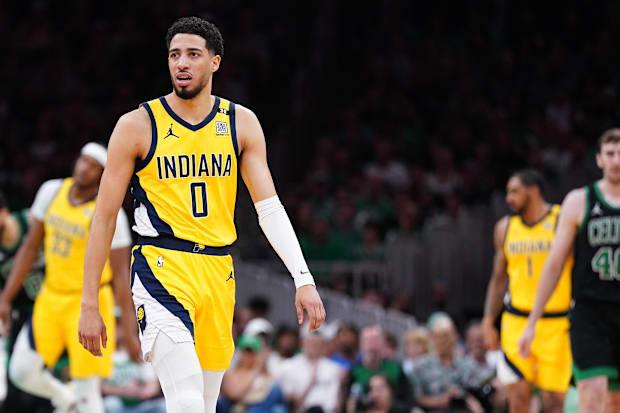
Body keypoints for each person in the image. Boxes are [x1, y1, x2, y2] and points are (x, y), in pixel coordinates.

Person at [77, 16, 326, 413]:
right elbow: (104, 218)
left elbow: (270, 208)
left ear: (215, 62)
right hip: (160, 266)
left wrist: (303, 278)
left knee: (206, 404)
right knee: (188, 400)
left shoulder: (240, 123)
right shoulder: (137, 125)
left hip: (218, 271)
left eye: (193, 54)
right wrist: (90, 302)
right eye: (175, 55)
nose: (182, 63)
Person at [0, 143, 140, 413]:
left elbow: (122, 277)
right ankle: (65, 398)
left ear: (102, 174)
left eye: (92, 165)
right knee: (20, 372)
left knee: (88, 390)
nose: (83, 168)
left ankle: (77, 400)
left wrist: (130, 332)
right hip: (51, 297)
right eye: (82, 160)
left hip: (90, 304)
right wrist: (5, 298)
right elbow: (29, 249)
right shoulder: (51, 191)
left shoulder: (112, 213)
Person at [519, 129, 620, 413]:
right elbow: (554, 264)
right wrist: (531, 322)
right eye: (610, 154)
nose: (616, 161)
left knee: (614, 404)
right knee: (592, 396)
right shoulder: (580, 200)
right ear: (599, 160)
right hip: (591, 312)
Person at [482, 169, 571, 413]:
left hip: (555, 323)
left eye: (514, 192)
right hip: (516, 321)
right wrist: (488, 320)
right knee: (518, 397)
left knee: (553, 401)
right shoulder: (505, 228)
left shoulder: (561, 219)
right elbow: (499, 279)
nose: (509, 198)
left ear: (534, 191)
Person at [0, 190, 51, 412]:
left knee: (49, 370)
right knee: (17, 375)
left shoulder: (32, 220)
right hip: (23, 311)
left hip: (55, 304)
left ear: (4, 212)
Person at [220, 335, 287, 413]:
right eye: (246, 351)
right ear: (240, 352)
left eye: (252, 352)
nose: (248, 355)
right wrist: (256, 370)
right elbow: (234, 394)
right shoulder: (231, 373)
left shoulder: (264, 372)